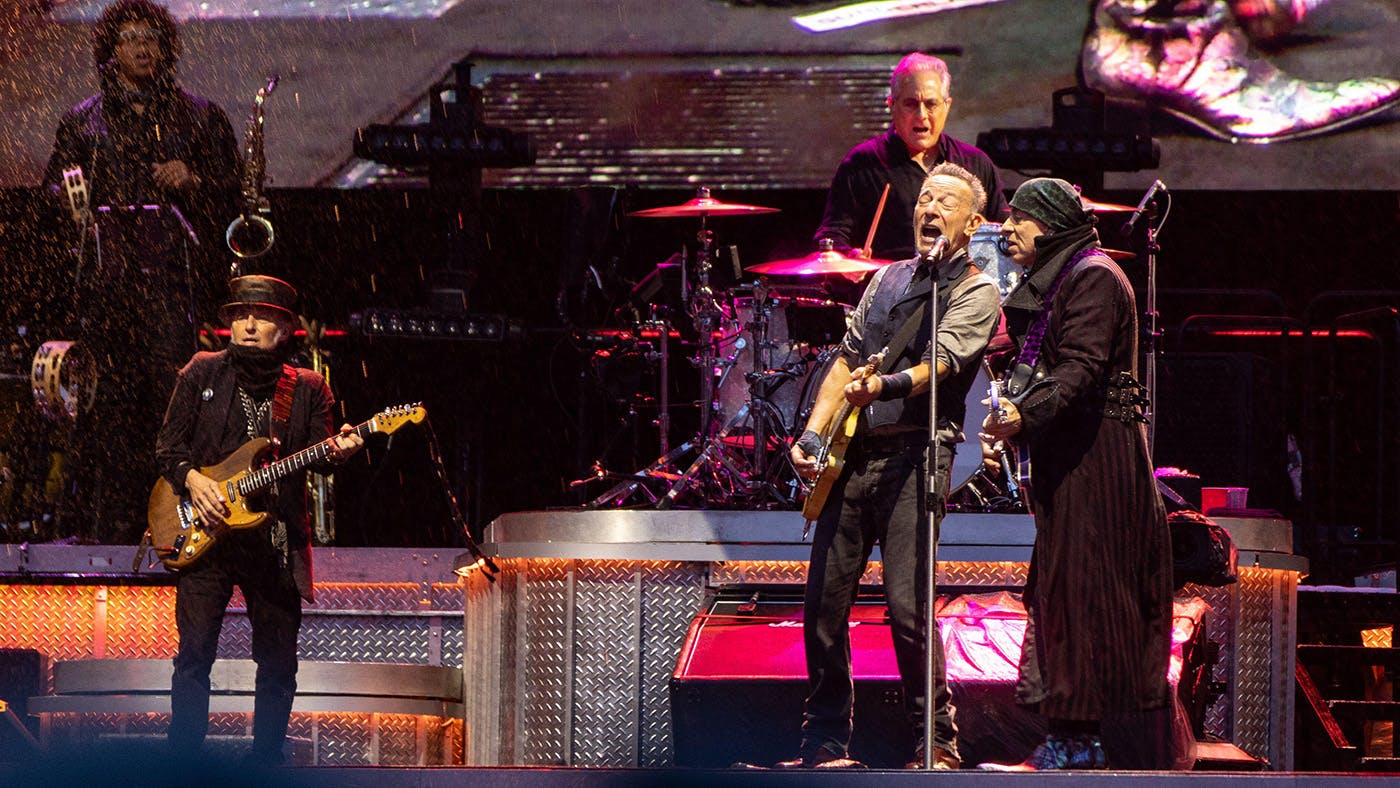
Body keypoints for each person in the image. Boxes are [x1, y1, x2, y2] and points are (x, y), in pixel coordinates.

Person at [782, 162, 1001, 769]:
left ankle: (937, 743)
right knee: (823, 605)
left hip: (915, 461)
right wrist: (813, 432)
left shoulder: (977, 290)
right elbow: (844, 362)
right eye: (925, 198)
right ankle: (823, 743)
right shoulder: (885, 280)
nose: (930, 209)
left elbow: (947, 364)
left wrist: (884, 387)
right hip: (855, 460)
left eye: (945, 203)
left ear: (973, 223)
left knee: (908, 611)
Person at [977, 178, 1173, 770]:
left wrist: (1021, 413)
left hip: (1098, 455)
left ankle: (1076, 742)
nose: (1005, 228)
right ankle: (1071, 738)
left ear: (1050, 222)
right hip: (1074, 452)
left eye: (1017, 218)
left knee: (1083, 592)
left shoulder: (1093, 277)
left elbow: (1080, 369)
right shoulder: (1068, 275)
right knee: (1066, 591)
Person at [42, 0, 240, 540]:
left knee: (172, 408)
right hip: (106, 298)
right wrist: (69, 201)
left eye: (150, 36)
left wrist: (193, 180)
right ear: (111, 50)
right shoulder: (83, 121)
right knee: (108, 412)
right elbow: (54, 199)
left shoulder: (199, 116)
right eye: (128, 37)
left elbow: (237, 196)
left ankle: (178, 524)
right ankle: (111, 530)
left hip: (172, 294)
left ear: (166, 46)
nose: (141, 46)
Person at [156, 275, 364, 765]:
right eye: (240, 316)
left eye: (262, 316)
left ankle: (264, 762)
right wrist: (194, 482)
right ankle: (182, 762)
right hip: (205, 537)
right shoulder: (201, 372)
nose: (248, 326)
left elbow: (319, 455)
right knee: (193, 657)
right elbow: (167, 449)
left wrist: (341, 453)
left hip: (271, 542)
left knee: (276, 664)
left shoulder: (309, 388)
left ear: (285, 328)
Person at [813, 52, 1009, 263]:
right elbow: (832, 238)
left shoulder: (976, 164)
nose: (922, 114)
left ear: (947, 106)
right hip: (890, 291)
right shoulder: (861, 164)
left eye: (931, 104)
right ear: (892, 106)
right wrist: (850, 257)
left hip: (961, 290)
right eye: (911, 103)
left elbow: (1003, 230)